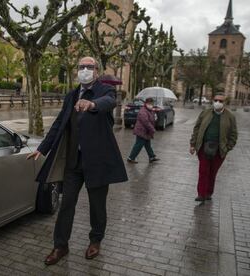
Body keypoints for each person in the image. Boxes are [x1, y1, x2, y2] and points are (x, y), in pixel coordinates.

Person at [27, 57, 128, 265]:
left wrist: (92, 104)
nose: (84, 70)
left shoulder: (104, 90)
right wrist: (42, 148)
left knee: (97, 206)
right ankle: (60, 246)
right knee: (66, 205)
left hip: (97, 161)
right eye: (81, 67)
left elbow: (109, 103)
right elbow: (59, 124)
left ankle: (95, 240)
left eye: (89, 67)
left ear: (97, 71)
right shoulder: (71, 95)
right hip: (74, 162)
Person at [189, 92, 238, 202]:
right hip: (203, 147)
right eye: (216, 100)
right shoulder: (205, 113)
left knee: (212, 172)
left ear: (224, 103)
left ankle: (208, 193)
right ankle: (201, 194)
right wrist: (193, 144)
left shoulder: (230, 116)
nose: (217, 103)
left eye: (220, 101)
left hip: (219, 150)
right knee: (203, 171)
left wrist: (228, 147)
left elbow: (234, 134)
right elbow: (196, 128)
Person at [127, 98, 160, 164]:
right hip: (141, 131)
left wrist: (155, 116)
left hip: (146, 131)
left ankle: (152, 156)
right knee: (138, 145)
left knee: (147, 145)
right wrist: (152, 129)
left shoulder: (150, 110)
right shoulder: (143, 111)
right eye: (150, 104)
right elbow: (146, 122)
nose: (151, 105)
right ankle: (131, 158)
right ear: (146, 103)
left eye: (152, 104)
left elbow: (152, 119)